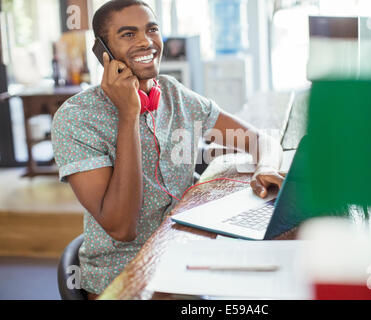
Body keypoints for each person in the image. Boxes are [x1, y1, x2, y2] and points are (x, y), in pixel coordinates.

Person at [51, 0, 284, 300]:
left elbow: (260, 140)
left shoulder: (172, 92)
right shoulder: (76, 118)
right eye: (128, 34)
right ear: (103, 52)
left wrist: (265, 168)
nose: (146, 41)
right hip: (124, 276)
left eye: (152, 29)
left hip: (187, 249)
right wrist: (128, 115)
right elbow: (123, 227)